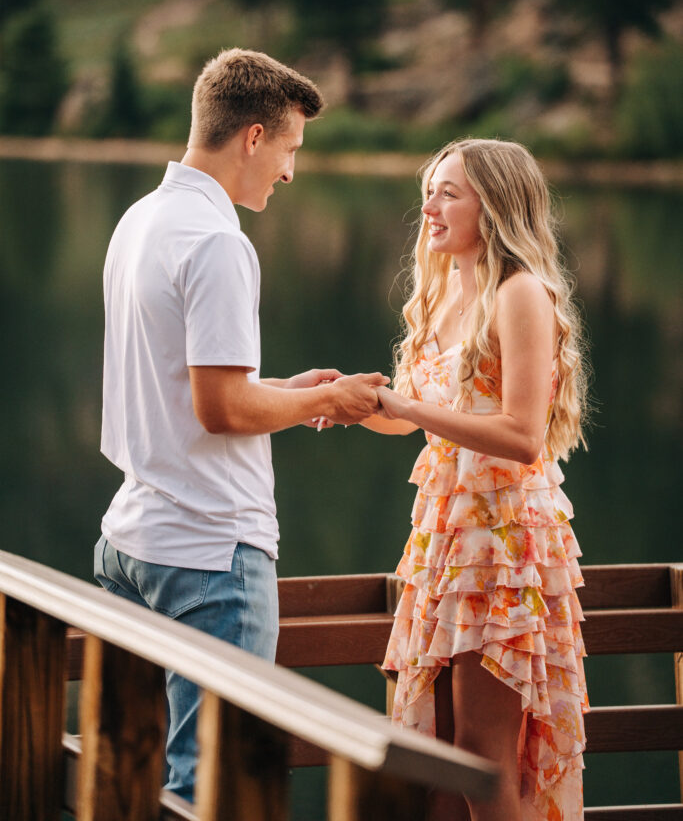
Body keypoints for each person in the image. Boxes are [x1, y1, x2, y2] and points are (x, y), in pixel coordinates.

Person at [94, 47, 388, 802]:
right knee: (216, 788)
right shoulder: (219, 242)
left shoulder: (141, 220)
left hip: (131, 542)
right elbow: (221, 410)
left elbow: (186, 385)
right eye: (289, 149)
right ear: (253, 137)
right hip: (210, 552)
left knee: (126, 779)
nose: (290, 173)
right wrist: (328, 401)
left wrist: (284, 390)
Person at [363, 138, 589, 821]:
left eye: (446, 192)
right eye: (429, 189)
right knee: (434, 758)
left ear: (492, 206)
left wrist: (404, 406)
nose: (427, 206)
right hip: (443, 541)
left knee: (481, 756)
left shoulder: (519, 294)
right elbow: (414, 419)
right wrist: (337, 404)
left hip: (503, 544)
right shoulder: (439, 293)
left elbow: (521, 436)